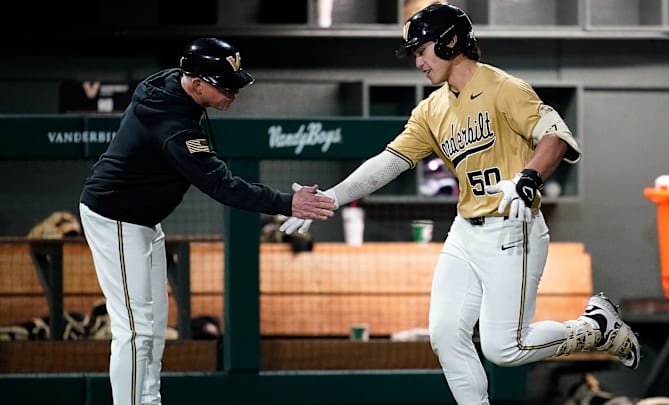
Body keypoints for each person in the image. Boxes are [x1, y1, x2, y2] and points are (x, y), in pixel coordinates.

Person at [279, 4, 639, 404]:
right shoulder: (432, 108)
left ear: (451, 41)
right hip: (466, 232)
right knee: (446, 335)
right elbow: (389, 162)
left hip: (512, 227)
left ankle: (597, 329)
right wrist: (333, 196)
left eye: (422, 49)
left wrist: (528, 177)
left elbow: (555, 136)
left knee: (503, 349)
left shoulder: (504, 87)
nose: (417, 61)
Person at [78, 37, 335, 405]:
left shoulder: (169, 84)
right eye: (224, 84)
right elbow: (223, 187)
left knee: (153, 330)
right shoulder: (173, 127)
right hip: (116, 218)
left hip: (143, 221)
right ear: (196, 84)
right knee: (135, 331)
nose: (234, 91)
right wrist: (288, 203)